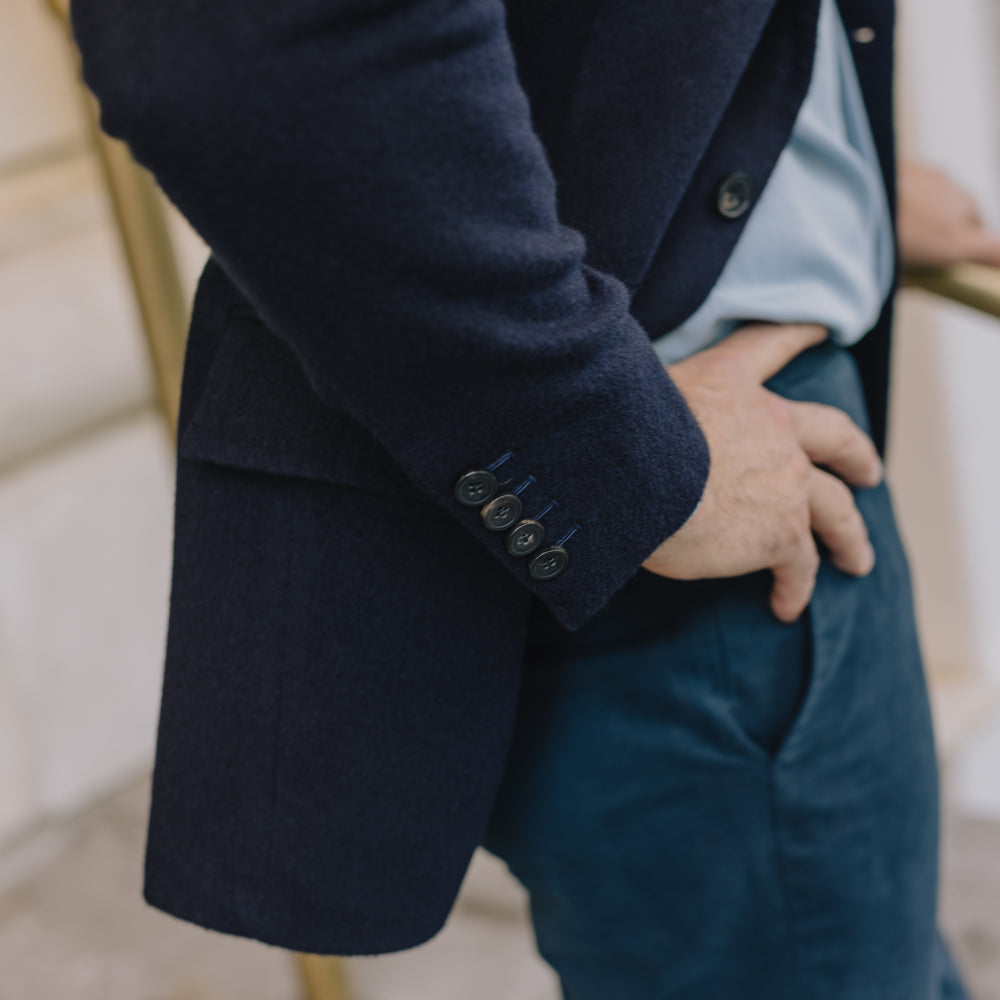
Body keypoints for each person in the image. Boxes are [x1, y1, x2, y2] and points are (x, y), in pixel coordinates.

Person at [69, 0, 1000, 995]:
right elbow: (245, 44)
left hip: (708, 437)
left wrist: (806, 153)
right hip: (696, 492)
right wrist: (612, 457)